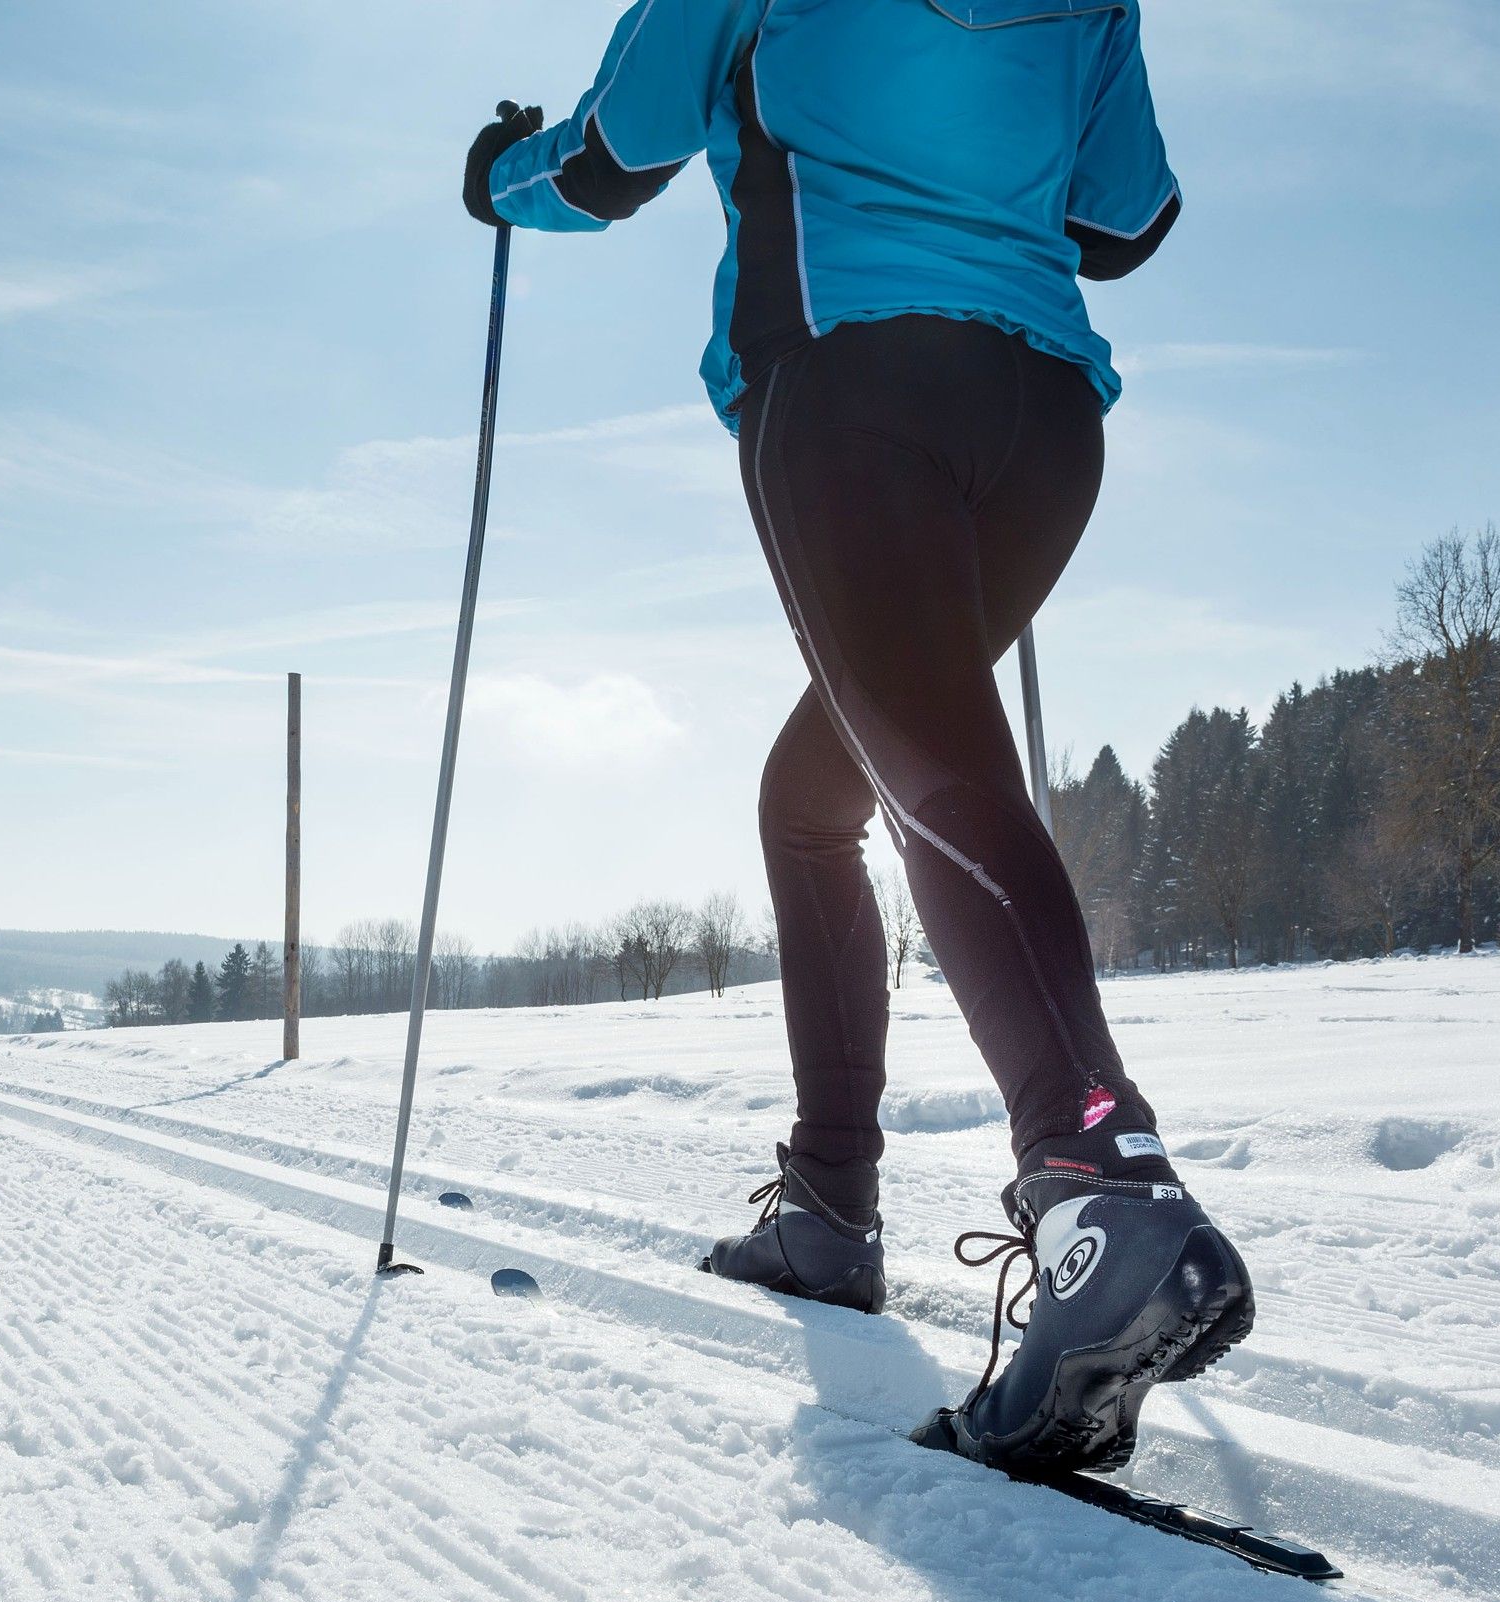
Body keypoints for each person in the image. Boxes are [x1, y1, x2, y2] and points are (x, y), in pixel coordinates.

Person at [467, 0, 1249, 1474]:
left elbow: (607, 160)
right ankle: (830, 1206)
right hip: (1042, 425)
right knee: (817, 793)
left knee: (935, 775)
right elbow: (1125, 216)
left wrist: (496, 172)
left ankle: (1098, 1179)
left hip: (848, 386)